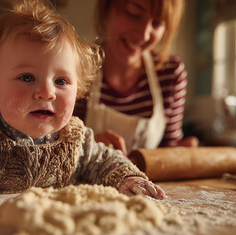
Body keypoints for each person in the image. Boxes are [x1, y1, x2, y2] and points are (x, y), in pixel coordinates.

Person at [0, 0, 165, 223]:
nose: (46, 92)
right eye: (26, 77)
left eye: (61, 81)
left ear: (78, 90)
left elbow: (110, 162)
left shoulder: (77, 141)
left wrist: (128, 178)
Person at [74, 0, 198, 155]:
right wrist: (85, 148)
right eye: (133, 14)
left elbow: (168, 148)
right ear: (106, 9)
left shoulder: (170, 73)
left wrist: (181, 152)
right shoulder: (75, 68)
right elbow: (51, 148)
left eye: (157, 23)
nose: (144, 35)